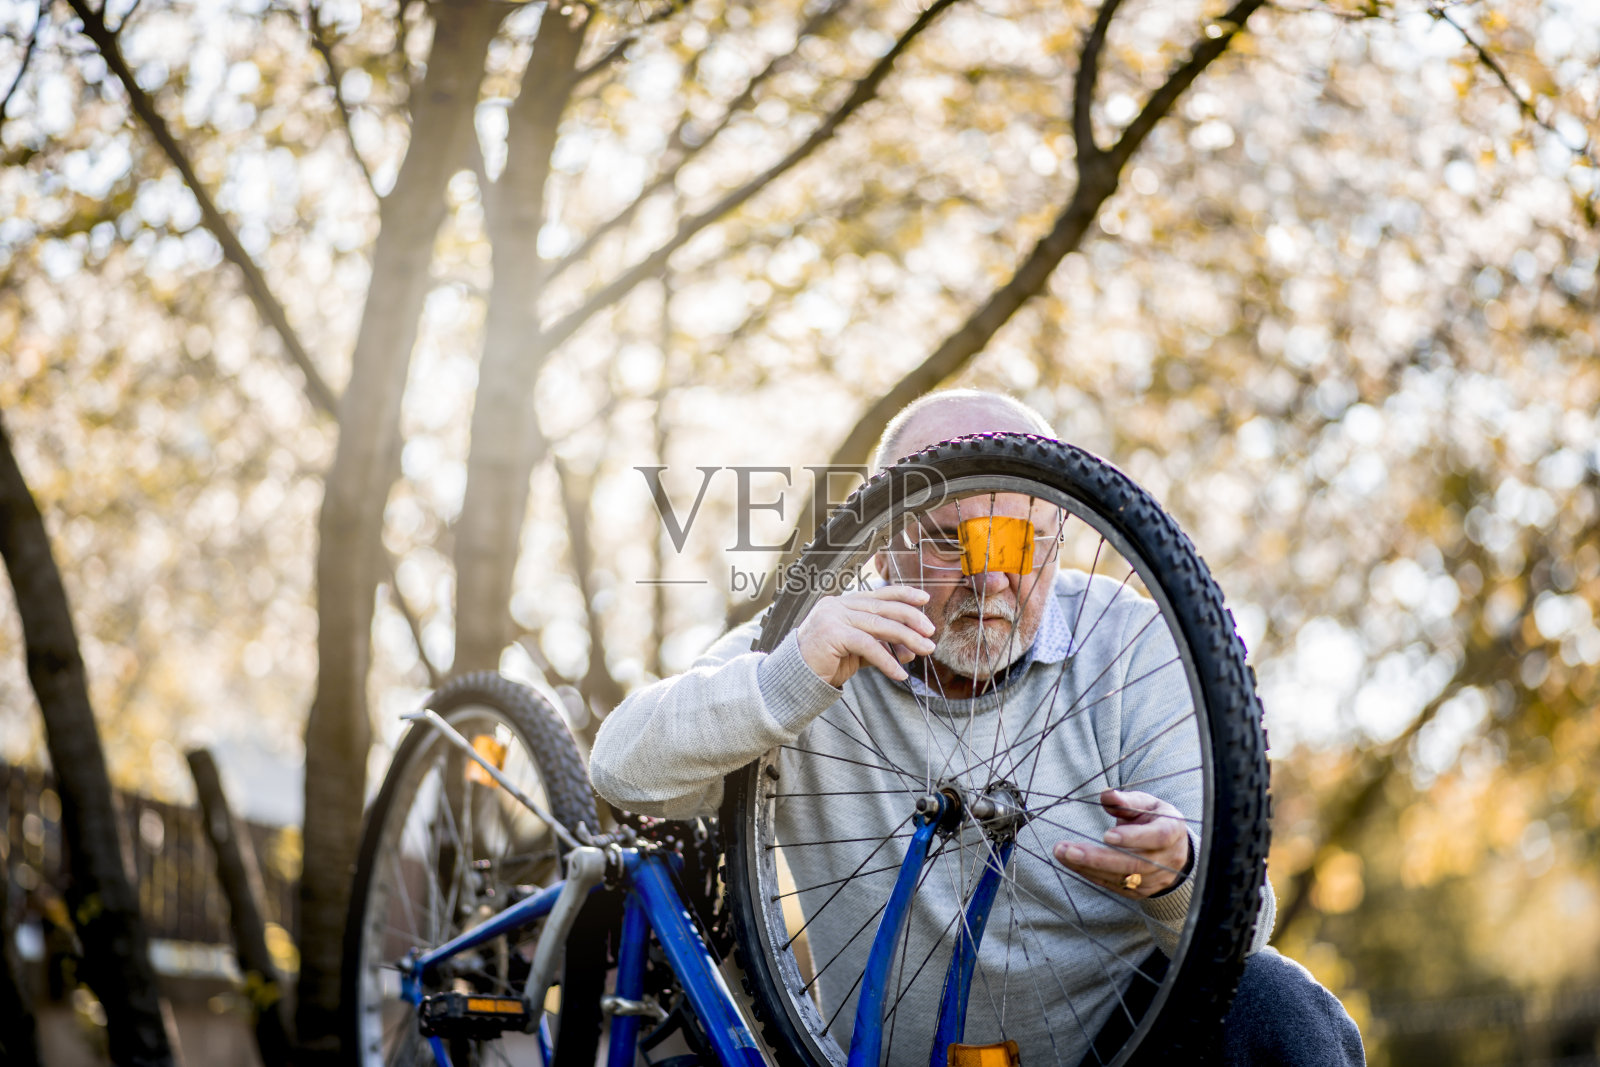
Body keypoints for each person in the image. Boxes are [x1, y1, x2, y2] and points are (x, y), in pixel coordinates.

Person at [592, 389, 1364, 1065]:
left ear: (1057, 540)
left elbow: (1246, 921)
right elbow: (620, 767)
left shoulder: (1132, 640)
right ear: (880, 542)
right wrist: (793, 675)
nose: (989, 577)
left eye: (1018, 540)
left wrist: (1172, 876)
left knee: (1276, 1000)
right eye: (946, 539)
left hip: (1122, 1050)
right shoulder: (820, 636)